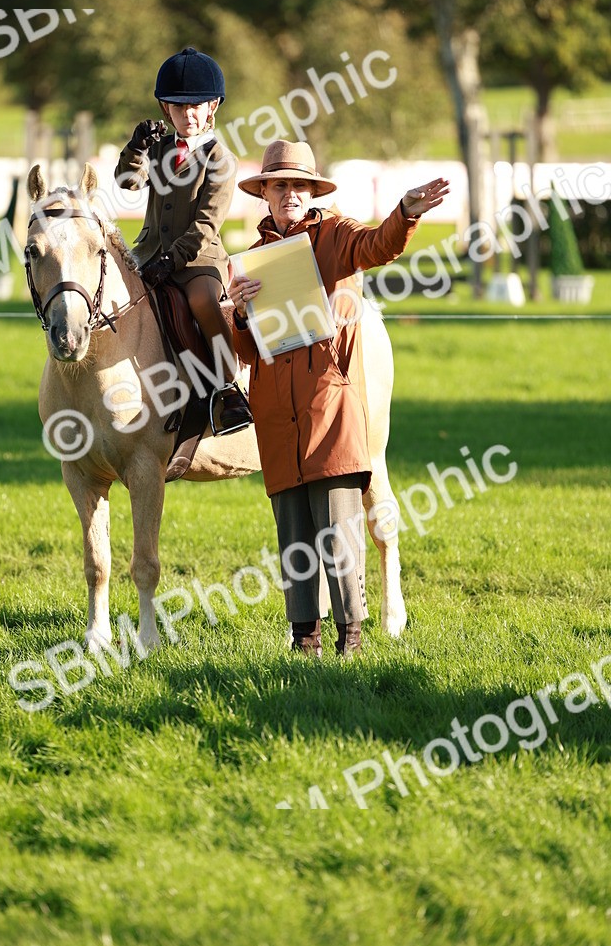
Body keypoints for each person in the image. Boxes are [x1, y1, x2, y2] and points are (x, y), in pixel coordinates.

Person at [228, 140, 449, 658]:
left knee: (337, 531)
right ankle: (305, 645)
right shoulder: (254, 258)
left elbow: (378, 246)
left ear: (312, 190)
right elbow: (246, 349)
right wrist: (238, 314)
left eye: (297, 185)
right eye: (278, 185)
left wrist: (406, 213)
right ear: (265, 193)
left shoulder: (337, 234)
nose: (288, 194)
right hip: (277, 414)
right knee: (293, 536)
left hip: (329, 404)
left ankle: (350, 641)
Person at [116, 47, 251, 431]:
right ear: (165, 108)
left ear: (212, 107)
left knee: (204, 303)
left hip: (197, 261)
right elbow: (127, 183)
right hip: (148, 253)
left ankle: (228, 392)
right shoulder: (157, 148)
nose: (188, 115)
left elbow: (206, 225)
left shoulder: (221, 160)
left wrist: (172, 260)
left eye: (196, 107)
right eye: (178, 107)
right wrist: (136, 147)